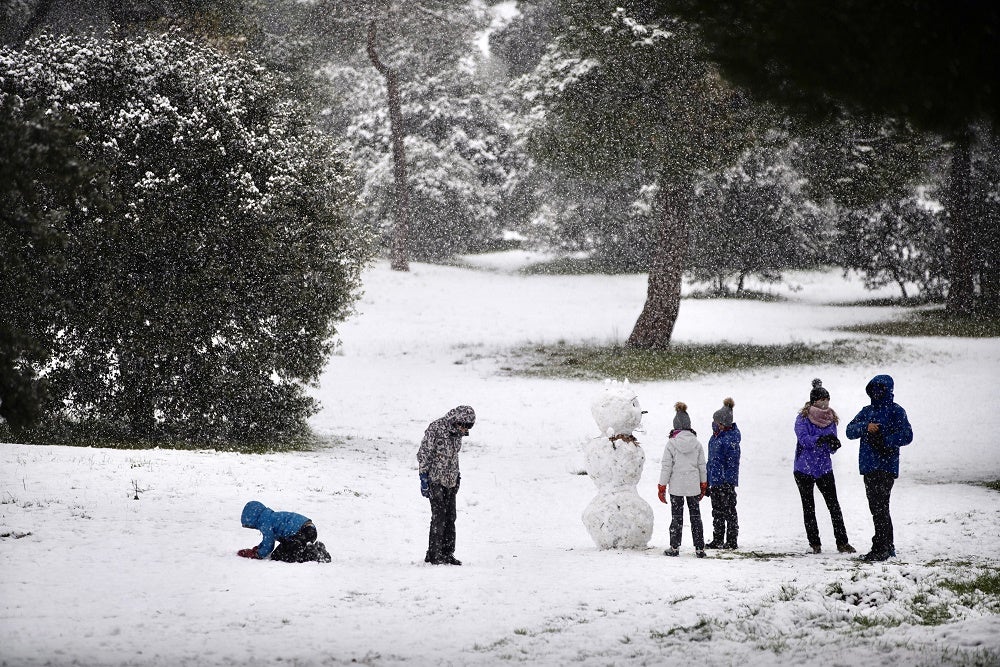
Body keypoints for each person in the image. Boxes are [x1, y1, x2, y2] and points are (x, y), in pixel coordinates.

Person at [846, 374, 913, 561]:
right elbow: (849, 431)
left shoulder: (896, 411)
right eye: (873, 389)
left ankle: (882, 546)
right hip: (869, 466)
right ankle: (886, 546)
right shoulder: (866, 411)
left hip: (886, 466)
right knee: (878, 507)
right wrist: (866, 427)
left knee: (880, 507)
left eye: (880, 389)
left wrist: (886, 440)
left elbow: (907, 435)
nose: (876, 392)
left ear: (887, 390)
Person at [793, 379, 856, 555]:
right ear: (814, 401)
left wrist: (833, 445)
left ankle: (842, 542)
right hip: (804, 468)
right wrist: (820, 439)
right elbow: (804, 440)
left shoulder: (831, 419)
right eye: (822, 399)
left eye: (827, 399)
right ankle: (814, 543)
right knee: (809, 507)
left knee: (834, 506)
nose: (825, 402)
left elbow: (831, 447)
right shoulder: (802, 418)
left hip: (824, 468)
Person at [417, 405, 476, 565]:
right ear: (457, 420)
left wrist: (457, 476)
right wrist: (423, 477)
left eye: (469, 427)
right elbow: (424, 454)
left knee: (450, 517)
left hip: (451, 481)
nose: (465, 430)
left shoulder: (458, 433)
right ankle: (434, 555)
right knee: (439, 517)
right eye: (464, 425)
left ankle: (447, 553)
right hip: (435, 480)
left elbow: (453, 456)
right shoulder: (436, 428)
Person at [658, 402, 708, 558]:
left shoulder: (671, 444)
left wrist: (662, 486)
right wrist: (703, 483)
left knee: (677, 517)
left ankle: (674, 547)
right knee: (696, 517)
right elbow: (702, 466)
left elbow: (666, 467)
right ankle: (699, 548)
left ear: (675, 426)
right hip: (693, 486)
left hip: (677, 487)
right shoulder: (697, 444)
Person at [237, 500, 331, 563]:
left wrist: (257, 554)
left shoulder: (265, 523)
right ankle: (315, 547)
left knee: (283, 555)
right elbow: (267, 540)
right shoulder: (270, 517)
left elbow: (269, 544)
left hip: (302, 532)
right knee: (281, 551)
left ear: (253, 519)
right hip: (309, 529)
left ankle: (315, 554)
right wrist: (259, 547)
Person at [705, 397, 741, 550]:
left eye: (716, 421)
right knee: (717, 512)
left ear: (722, 423)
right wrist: (708, 479)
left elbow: (731, 463)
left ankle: (731, 540)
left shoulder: (730, 439)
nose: (713, 423)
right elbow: (711, 461)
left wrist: (726, 479)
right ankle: (718, 539)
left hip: (726, 481)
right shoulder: (714, 438)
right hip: (715, 480)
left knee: (729, 511)